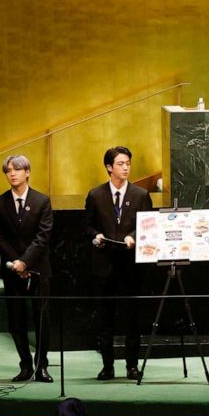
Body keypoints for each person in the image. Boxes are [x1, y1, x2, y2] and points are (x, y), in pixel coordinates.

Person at [85, 146, 153, 380]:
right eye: (121, 164)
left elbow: (148, 225)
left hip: (130, 265)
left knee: (132, 319)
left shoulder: (140, 195)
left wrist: (133, 235)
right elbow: (88, 226)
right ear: (109, 167)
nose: (125, 168)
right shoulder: (96, 195)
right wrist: (95, 236)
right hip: (104, 265)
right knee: (105, 319)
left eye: (128, 164)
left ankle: (132, 366)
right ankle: (107, 366)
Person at [0, 155, 54, 382]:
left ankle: (42, 366)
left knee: (41, 319)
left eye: (17, 169)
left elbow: (43, 236)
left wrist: (25, 261)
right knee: (16, 320)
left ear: (27, 172)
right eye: (8, 171)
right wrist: (16, 263)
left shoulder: (42, 200)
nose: (12, 174)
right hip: (12, 269)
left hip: (38, 269)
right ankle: (25, 364)